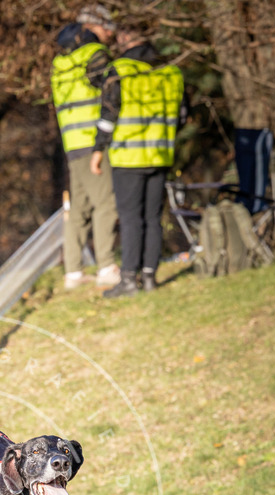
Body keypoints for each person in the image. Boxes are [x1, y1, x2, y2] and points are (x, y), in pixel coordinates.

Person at [90, 14, 185, 297]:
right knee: (153, 218)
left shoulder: (120, 70)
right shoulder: (171, 71)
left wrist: (98, 149)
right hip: (160, 154)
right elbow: (182, 115)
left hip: (128, 158)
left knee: (131, 218)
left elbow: (109, 114)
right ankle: (150, 277)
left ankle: (129, 279)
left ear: (124, 37)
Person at [51, 4, 120, 290]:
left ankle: (73, 272)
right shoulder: (94, 56)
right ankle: (106, 267)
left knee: (79, 209)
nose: (110, 34)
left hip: (72, 145)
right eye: (107, 27)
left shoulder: (61, 63)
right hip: (94, 143)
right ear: (92, 27)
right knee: (106, 203)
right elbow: (111, 97)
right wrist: (103, 140)